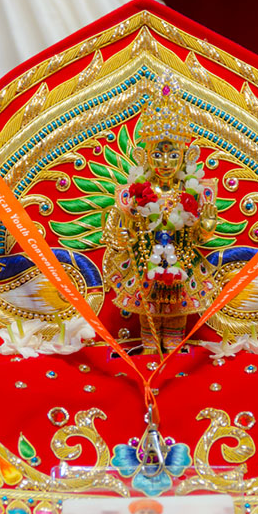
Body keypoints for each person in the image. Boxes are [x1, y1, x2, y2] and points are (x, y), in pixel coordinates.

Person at [103, 72, 218, 354]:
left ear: (186, 156)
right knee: (150, 323)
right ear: (144, 156)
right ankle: (150, 350)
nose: (165, 162)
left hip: (182, 265)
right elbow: (127, 232)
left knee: (176, 320)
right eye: (157, 154)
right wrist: (125, 232)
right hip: (146, 265)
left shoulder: (194, 191)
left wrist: (206, 223)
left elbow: (200, 237)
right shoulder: (136, 192)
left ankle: (174, 351)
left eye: (172, 154)